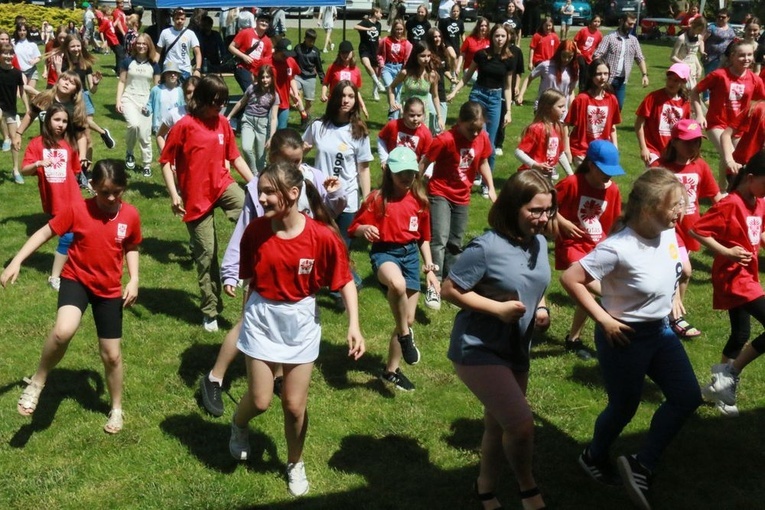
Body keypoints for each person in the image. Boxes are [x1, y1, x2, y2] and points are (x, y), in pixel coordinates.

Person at [561, 169, 702, 510]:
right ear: (649, 207)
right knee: (624, 407)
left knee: (686, 397)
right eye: (674, 206)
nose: (680, 212)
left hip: (661, 333)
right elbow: (571, 278)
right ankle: (593, 455)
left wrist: (671, 301)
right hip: (624, 337)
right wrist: (605, 319)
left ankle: (642, 462)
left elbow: (670, 271)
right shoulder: (618, 248)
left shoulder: (668, 234)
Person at [228, 161, 364, 497]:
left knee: (293, 405)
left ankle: (294, 462)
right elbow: (251, 279)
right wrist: (247, 313)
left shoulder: (321, 237)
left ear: (293, 193)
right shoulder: (256, 232)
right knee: (260, 400)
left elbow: (344, 280)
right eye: (261, 190)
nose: (261, 197)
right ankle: (238, 424)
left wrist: (354, 325)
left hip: (300, 322)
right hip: (262, 319)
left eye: (268, 191)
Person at [199, 128, 346, 418]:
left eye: (299, 160)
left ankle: (277, 377)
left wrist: (336, 193)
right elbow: (245, 228)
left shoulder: (312, 177)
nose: (295, 167)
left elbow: (328, 215)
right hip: (261, 268)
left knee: (283, 330)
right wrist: (231, 271)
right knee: (246, 324)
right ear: (273, 158)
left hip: (295, 269)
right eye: (288, 161)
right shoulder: (260, 187)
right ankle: (214, 377)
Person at [2, 159, 142, 435]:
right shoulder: (78, 209)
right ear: (92, 187)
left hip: (109, 289)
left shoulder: (130, 215)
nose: (111, 198)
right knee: (63, 331)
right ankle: (39, 381)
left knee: (111, 356)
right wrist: (16, 261)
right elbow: (45, 232)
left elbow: (132, 246)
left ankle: (115, 407)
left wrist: (134, 279)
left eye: (117, 191)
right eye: (104, 192)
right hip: (76, 279)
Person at [442, 170, 554, 510]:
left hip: (515, 348)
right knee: (520, 425)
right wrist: (498, 309)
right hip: (478, 348)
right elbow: (449, 289)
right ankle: (527, 487)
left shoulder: (539, 242)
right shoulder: (486, 248)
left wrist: (543, 307)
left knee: (497, 424)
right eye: (534, 210)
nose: (543, 218)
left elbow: (537, 284)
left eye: (547, 210)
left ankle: (485, 488)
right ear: (512, 207)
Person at [159, 75, 254, 332]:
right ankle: (210, 310)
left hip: (222, 185)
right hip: (196, 198)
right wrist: (174, 195)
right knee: (207, 255)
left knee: (253, 212)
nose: (220, 107)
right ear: (200, 99)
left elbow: (234, 158)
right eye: (215, 102)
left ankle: (249, 268)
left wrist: (255, 185)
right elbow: (165, 161)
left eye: (223, 102)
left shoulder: (222, 122)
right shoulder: (184, 126)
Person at [349, 146, 438, 391]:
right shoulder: (377, 199)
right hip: (385, 253)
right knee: (396, 285)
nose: (406, 178)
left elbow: (424, 237)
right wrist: (363, 230)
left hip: (410, 256)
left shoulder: (420, 201)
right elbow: (353, 228)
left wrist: (429, 268)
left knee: (407, 318)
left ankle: (391, 370)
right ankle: (405, 336)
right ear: (389, 173)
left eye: (410, 173)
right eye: (401, 173)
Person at [692, 149, 765, 417]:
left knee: (740, 334)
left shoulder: (759, 202)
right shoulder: (730, 203)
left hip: (748, 275)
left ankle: (720, 387)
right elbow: (697, 230)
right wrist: (727, 252)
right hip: (734, 276)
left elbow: (759, 231)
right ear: (751, 177)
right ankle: (731, 373)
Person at [418, 101, 496, 309]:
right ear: (460, 122)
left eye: (479, 129)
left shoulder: (483, 138)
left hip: (463, 196)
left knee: (456, 242)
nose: (475, 134)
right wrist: (415, 186)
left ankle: (450, 285)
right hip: (440, 193)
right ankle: (433, 285)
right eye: (471, 129)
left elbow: (483, 163)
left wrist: (492, 189)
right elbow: (425, 161)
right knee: (439, 239)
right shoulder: (445, 139)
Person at [654, 119, 723, 341]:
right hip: (668, 230)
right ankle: (674, 318)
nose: (693, 146)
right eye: (687, 142)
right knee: (685, 270)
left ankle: (670, 314)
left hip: (692, 229)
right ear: (673, 142)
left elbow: (715, 196)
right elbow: (647, 198)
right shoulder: (660, 168)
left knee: (680, 274)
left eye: (696, 142)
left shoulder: (700, 166)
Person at [554, 140, 623, 361]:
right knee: (589, 285)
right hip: (572, 244)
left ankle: (573, 338)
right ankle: (611, 320)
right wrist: (562, 222)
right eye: (604, 171)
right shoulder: (572, 183)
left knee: (587, 292)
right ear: (591, 165)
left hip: (596, 247)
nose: (608, 177)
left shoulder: (612, 190)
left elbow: (612, 224)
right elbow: (548, 205)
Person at [303, 81, 373, 263]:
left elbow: (364, 169)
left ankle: (342, 285)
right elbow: (301, 150)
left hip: (348, 198)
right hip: (320, 197)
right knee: (317, 244)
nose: (346, 100)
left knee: (340, 248)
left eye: (350, 96)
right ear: (334, 98)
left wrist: (367, 198)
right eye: (342, 95)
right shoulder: (318, 126)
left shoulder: (359, 131)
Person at [19, 103, 83, 290]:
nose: (61, 124)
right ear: (47, 121)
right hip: (55, 200)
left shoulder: (69, 144)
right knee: (69, 236)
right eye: (57, 120)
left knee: (74, 235)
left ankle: (65, 271)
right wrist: (38, 163)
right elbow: (24, 170)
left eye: (64, 121)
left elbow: (75, 170)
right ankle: (55, 277)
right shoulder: (37, 144)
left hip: (73, 198)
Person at [447, 24, 515, 186]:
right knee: (477, 137)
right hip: (478, 95)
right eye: (497, 36)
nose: (499, 39)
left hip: (495, 99)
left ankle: (486, 182)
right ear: (491, 37)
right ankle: (472, 175)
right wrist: (454, 92)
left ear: (507, 38)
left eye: (502, 36)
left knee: (489, 143)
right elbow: (466, 76)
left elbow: (507, 86)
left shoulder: (509, 59)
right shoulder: (481, 54)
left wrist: (509, 111)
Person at [693, 40, 765, 188]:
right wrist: (699, 114)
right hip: (717, 123)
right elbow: (694, 92)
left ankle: (721, 190)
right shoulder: (718, 75)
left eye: (749, 55)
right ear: (732, 57)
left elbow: (761, 100)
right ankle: (733, 190)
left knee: (735, 158)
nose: (746, 59)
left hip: (739, 127)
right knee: (730, 156)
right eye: (741, 55)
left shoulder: (754, 79)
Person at [14, 71, 89, 186]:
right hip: (46, 149)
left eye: (72, 83)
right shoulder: (44, 98)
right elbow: (30, 115)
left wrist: (82, 156)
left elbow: (81, 135)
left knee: (66, 184)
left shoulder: (75, 107)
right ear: (58, 81)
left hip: (66, 151)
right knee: (48, 184)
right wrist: (18, 133)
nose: (67, 83)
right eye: (65, 80)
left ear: (76, 89)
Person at [62, 34, 117, 157]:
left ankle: (87, 170)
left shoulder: (85, 64)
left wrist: (96, 84)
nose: (76, 49)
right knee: (74, 139)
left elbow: (92, 90)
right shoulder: (63, 64)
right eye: (73, 46)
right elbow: (60, 85)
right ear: (67, 48)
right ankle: (102, 132)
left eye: (78, 46)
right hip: (70, 99)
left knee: (87, 138)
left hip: (84, 97)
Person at [116, 33, 160, 177]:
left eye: (144, 44)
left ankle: (147, 164)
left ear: (149, 46)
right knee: (133, 125)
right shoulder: (127, 62)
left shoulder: (154, 65)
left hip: (145, 102)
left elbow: (157, 87)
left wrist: (154, 105)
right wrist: (118, 100)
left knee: (144, 134)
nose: (141, 46)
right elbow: (122, 82)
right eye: (139, 43)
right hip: (129, 98)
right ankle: (130, 152)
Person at [565, 59, 621, 165]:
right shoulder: (581, 99)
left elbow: (612, 127)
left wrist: (615, 148)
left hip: (602, 151)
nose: (603, 77)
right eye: (598, 74)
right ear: (591, 75)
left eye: (606, 74)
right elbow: (566, 125)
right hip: (581, 151)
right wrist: (567, 150)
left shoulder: (612, 99)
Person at [225, 64, 279, 173]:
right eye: (262, 77)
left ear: (272, 78)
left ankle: (261, 179)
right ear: (258, 78)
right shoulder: (252, 88)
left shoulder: (274, 95)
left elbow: (273, 118)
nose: (265, 80)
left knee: (261, 157)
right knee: (246, 148)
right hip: (248, 120)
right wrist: (229, 116)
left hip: (262, 124)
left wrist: (271, 137)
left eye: (267, 77)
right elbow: (241, 103)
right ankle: (254, 175)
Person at [635, 63, 692, 166]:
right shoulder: (653, 98)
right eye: (669, 79)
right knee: (656, 177)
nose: (671, 83)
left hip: (673, 151)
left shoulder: (685, 103)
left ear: (683, 83)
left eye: (676, 81)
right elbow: (639, 124)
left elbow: (685, 132)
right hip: (653, 149)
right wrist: (644, 147)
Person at [593, 13, 649, 110]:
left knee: (619, 106)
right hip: (607, 79)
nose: (632, 27)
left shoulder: (633, 40)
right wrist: (599, 71)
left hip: (622, 80)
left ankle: (612, 125)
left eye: (633, 24)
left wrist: (644, 74)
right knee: (603, 105)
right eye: (629, 24)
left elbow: (639, 58)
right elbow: (597, 55)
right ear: (622, 21)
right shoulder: (610, 37)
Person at [515, 89, 573, 181]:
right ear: (548, 108)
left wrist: (570, 175)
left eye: (564, 106)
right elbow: (518, 152)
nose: (564, 110)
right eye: (560, 106)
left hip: (547, 176)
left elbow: (560, 153)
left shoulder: (558, 127)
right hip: (531, 176)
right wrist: (535, 165)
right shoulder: (537, 128)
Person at [386, 41, 444, 130]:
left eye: (428, 56)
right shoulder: (405, 73)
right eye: (423, 56)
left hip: (423, 114)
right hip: (407, 113)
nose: (426, 59)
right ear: (415, 56)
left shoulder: (432, 75)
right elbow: (391, 87)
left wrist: (439, 117)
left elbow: (435, 96)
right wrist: (392, 102)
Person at [517, 39, 578, 112]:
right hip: (543, 109)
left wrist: (572, 110)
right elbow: (529, 78)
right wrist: (521, 95)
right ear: (559, 53)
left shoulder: (574, 70)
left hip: (561, 112)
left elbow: (570, 92)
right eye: (564, 55)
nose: (566, 59)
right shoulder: (546, 66)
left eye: (570, 56)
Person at [377, 97, 433, 167]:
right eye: (412, 115)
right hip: (392, 167)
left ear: (423, 115)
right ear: (404, 113)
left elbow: (427, 156)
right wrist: (384, 159)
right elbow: (381, 138)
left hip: (411, 171)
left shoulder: (426, 134)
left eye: (419, 115)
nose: (415, 119)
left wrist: (427, 171)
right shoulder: (393, 125)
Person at [0, 42, 27, 184]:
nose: (8, 56)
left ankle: (15, 169)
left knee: (16, 141)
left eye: (11, 53)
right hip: (0, 107)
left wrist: (28, 108)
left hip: (11, 109)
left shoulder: (17, 73)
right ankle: (5, 138)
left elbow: (22, 92)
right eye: (5, 53)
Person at [321, 41, 369, 118]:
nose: (345, 55)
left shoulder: (356, 70)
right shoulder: (333, 67)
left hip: (349, 104)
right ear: (339, 54)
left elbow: (356, 91)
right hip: (334, 102)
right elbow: (326, 83)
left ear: (352, 53)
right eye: (343, 53)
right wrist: (323, 94)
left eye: (347, 52)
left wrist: (363, 106)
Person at [228, 12, 273, 93]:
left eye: (266, 22)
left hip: (258, 72)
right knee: (251, 92)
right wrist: (243, 56)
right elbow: (231, 47)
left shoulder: (268, 41)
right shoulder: (245, 32)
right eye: (262, 20)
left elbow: (267, 60)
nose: (264, 23)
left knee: (260, 94)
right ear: (256, 21)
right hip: (243, 67)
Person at [158, 8, 202, 81]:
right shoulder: (165, 32)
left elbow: (197, 52)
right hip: (169, 68)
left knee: (184, 91)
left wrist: (197, 69)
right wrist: (155, 68)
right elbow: (158, 52)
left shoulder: (190, 33)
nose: (179, 21)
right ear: (173, 19)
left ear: (185, 20)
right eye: (177, 18)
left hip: (185, 70)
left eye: (182, 19)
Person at [270, 38, 305, 129]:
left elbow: (292, 77)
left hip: (284, 102)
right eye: (284, 55)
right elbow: (255, 75)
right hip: (269, 103)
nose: (286, 57)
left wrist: (296, 94)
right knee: (269, 132)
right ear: (277, 51)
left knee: (282, 132)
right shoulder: (266, 62)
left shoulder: (290, 61)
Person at [378, 20, 412, 111]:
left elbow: (408, 59)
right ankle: (393, 114)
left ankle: (394, 116)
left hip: (399, 69)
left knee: (397, 93)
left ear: (404, 30)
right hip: (388, 67)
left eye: (401, 29)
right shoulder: (386, 40)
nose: (399, 31)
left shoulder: (407, 43)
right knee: (389, 87)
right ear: (393, 29)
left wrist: (405, 70)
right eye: (397, 29)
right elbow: (379, 53)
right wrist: (381, 62)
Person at [146, 61, 185, 139]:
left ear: (178, 76)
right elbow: (150, 104)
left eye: (175, 73)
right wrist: (146, 110)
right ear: (164, 75)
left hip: (175, 126)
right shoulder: (156, 90)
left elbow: (182, 107)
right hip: (160, 125)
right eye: (169, 73)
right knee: (163, 150)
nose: (173, 75)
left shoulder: (180, 91)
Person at [354, 8, 386, 101]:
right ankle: (379, 84)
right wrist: (368, 29)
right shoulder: (366, 22)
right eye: (380, 13)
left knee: (376, 72)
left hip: (375, 50)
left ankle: (375, 91)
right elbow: (355, 27)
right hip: (364, 49)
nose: (381, 15)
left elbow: (378, 36)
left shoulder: (379, 25)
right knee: (367, 65)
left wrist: (382, 43)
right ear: (375, 13)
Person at [294, 29, 325, 121]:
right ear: (305, 38)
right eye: (310, 40)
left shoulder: (315, 51)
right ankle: (303, 113)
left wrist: (323, 79)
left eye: (313, 41)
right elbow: (292, 62)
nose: (312, 43)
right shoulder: (298, 48)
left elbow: (319, 66)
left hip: (310, 77)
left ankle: (305, 118)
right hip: (298, 76)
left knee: (309, 101)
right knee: (295, 93)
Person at [670, 15, 706, 89]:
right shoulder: (681, 38)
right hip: (682, 70)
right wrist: (684, 65)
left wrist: (699, 67)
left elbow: (693, 55)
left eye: (702, 30)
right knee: (685, 91)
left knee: (693, 93)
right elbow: (672, 57)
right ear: (693, 26)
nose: (700, 32)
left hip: (692, 69)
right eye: (699, 29)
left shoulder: (698, 37)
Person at [703, 9, 736, 84]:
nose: (720, 18)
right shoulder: (711, 27)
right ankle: (707, 96)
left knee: (722, 79)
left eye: (723, 17)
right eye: (719, 16)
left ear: (728, 18)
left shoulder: (730, 27)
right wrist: (702, 51)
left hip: (726, 58)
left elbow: (733, 38)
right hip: (712, 58)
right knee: (709, 79)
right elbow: (702, 39)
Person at [573, 15, 603, 92]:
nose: (597, 23)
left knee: (588, 74)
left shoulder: (599, 35)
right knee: (582, 66)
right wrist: (577, 49)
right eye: (595, 21)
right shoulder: (584, 30)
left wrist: (596, 55)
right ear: (591, 22)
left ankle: (584, 89)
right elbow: (575, 41)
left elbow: (600, 47)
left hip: (589, 57)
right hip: (580, 54)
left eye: (598, 22)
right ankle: (581, 86)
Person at [13, 23, 41, 91]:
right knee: (23, 89)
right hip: (20, 71)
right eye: (20, 30)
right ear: (17, 31)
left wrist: (34, 61)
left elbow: (39, 57)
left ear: (27, 31)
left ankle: (35, 99)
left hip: (32, 70)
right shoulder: (13, 43)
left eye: (24, 30)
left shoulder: (32, 44)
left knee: (31, 95)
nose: (22, 32)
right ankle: (39, 94)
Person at [97, 6, 125, 73]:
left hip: (114, 39)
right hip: (112, 40)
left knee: (120, 54)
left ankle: (117, 69)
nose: (111, 12)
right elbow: (100, 30)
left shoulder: (108, 20)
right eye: (109, 11)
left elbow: (113, 26)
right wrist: (104, 40)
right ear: (106, 12)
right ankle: (119, 71)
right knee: (121, 54)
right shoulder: (105, 21)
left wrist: (118, 19)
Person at [439, 4, 465, 73]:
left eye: (457, 11)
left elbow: (462, 33)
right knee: (453, 56)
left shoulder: (460, 22)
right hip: (447, 42)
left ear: (459, 12)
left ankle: (454, 76)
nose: (455, 13)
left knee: (456, 62)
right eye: (454, 11)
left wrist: (465, 43)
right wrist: (442, 42)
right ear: (451, 11)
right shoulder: (446, 21)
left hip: (456, 43)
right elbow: (440, 32)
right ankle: (450, 69)